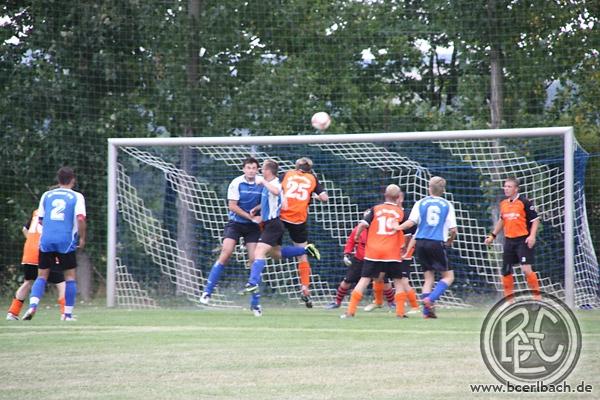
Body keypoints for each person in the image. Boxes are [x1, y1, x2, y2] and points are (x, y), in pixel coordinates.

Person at [240, 159, 320, 316]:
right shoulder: (308, 179)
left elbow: (277, 191)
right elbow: (323, 197)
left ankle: (252, 283)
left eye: (261, 168)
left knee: (259, 252)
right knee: (275, 254)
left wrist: (263, 183)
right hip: (287, 221)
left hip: (277, 223)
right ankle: (305, 253)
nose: (259, 171)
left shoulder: (279, 180)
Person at [22, 167, 87, 321]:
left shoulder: (47, 195)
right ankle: (67, 314)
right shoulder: (77, 196)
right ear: (73, 180)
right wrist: (82, 238)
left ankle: (32, 306)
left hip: (46, 240)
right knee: (70, 276)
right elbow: (80, 218)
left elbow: (41, 220)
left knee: (42, 275)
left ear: (58, 180)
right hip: (65, 240)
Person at [200, 157, 263, 305]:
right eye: (248, 168)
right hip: (236, 223)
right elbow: (232, 206)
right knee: (226, 253)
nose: (251, 171)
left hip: (253, 227)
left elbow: (267, 200)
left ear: (257, 170)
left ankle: (255, 303)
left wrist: (258, 211)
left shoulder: (262, 183)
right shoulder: (236, 183)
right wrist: (249, 216)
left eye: (254, 168)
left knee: (254, 260)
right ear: (243, 169)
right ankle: (207, 292)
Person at [341, 184, 408, 319]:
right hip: (392, 252)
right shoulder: (402, 212)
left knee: (364, 280)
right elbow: (407, 234)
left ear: (385, 195)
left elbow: (362, 225)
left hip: (374, 252)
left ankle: (350, 311)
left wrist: (356, 236)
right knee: (398, 281)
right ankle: (400, 313)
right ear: (398, 197)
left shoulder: (375, 209)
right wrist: (404, 246)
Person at [398, 176, 457, 319]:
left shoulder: (420, 202)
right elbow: (453, 229)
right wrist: (450, 240)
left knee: (428, 278)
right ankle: (430, 300)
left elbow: (411, 223)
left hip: (421, 243)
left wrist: (397, 227)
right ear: (443, 190)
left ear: (429, 188)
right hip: (436, 242)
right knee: (449, 277)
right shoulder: (446, 204)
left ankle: (427, 313)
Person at [278, 157, 328, 308]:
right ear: (310, 169)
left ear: (296, 166)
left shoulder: (286, 174)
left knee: (268, 249)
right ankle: (305, 287)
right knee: (302, 255)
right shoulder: (312, 179)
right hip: (299, 220)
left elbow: (274, 189)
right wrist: (316, 196)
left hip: (281, 216)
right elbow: (325, 198)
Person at [484, 177, 541, 300]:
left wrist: (532, 236)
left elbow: (535, 220)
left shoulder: (524, 202)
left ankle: (537, 298)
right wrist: (492, 235)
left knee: (526, 269)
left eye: (509, 186)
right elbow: (502, 220)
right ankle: (509, 301)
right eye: (505, 186)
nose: (506, 189)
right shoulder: (504, 203)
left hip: (523, 240)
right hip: (509, 241)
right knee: (506, 270)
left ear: (516, 189)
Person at [6, 209, 65, 320]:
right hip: (45, 250)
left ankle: (13, 312)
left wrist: (32, 241)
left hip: (29, 251)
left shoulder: (37, 211)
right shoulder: (57, 213)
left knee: (28, 282)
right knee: (61, 282)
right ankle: (65, 313)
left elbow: (24, 229)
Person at [325, 213, 368, 309]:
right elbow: (351, 242)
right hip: (359, 260)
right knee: (347, 281)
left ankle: (391, 303)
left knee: (383, 281)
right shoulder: (358, 229)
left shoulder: (376, 231)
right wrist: (346, 254)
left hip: (374, 259)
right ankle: (337, 302)